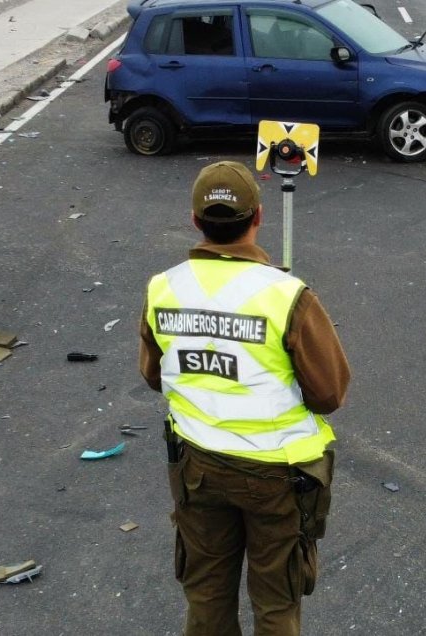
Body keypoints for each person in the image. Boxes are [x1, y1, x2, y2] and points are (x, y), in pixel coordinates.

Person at [139, 160, 350, 636]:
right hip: (277, 476)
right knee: (276, 605)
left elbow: (154, 376)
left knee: (207, 597)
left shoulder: (164, 288)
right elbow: (329, 393)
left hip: (198, 469)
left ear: (196, 221)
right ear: (257, 217)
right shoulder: (287, 295)